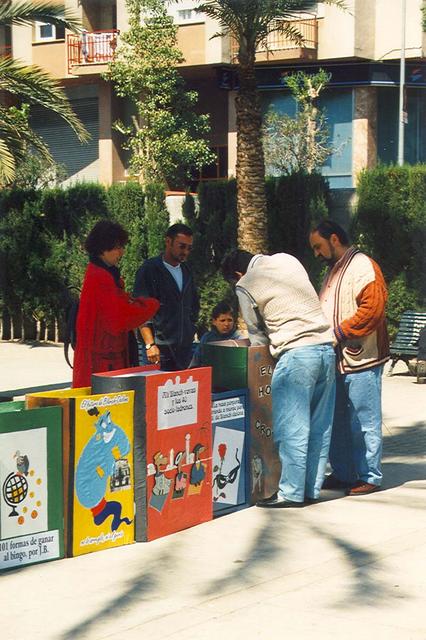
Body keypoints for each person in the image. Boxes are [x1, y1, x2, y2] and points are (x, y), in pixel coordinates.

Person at [222, 250, 336, 508]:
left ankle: (291, 493)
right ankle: (310, 489)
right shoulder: (288, 258)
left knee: (292, 428)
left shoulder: (245, 283)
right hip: (326, 349)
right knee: (319, 426)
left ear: (238, 274)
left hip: (296, 353)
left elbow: (257, 334)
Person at [309, 220, 390, 496]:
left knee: (363, 419)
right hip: (338, 360)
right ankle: (344, 473)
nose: (316, 253)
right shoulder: (333, 271)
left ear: (334, 239)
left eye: (318, 247)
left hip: (362, 359)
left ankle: (370, 475)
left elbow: (373, 310)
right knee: (339, 420)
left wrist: (340, 332)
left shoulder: (363, 266)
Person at [72, 220, 159, 388]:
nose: (122, 251)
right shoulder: (101, 277)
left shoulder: (100, 272)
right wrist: (151, 305)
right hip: (103, 362)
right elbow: (120, 317)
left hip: (102, 359)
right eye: (118, 247)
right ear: (104, 247)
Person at [133, 223, 199, 371]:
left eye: (189, 248)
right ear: (168, 241)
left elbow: (194, 304)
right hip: (157, 351)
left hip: (184, 351)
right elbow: (140, 311)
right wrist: (150, 344)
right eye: (182, 246)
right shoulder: (149, 270)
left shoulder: (187, 271)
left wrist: (190, 329)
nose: (186, 252)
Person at [190, 300, 242, 367]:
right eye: (222, 320)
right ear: (214, 321)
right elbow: (196, 361)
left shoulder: (239, 338)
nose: (226, 324)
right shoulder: (207, 338)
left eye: (229, 320)